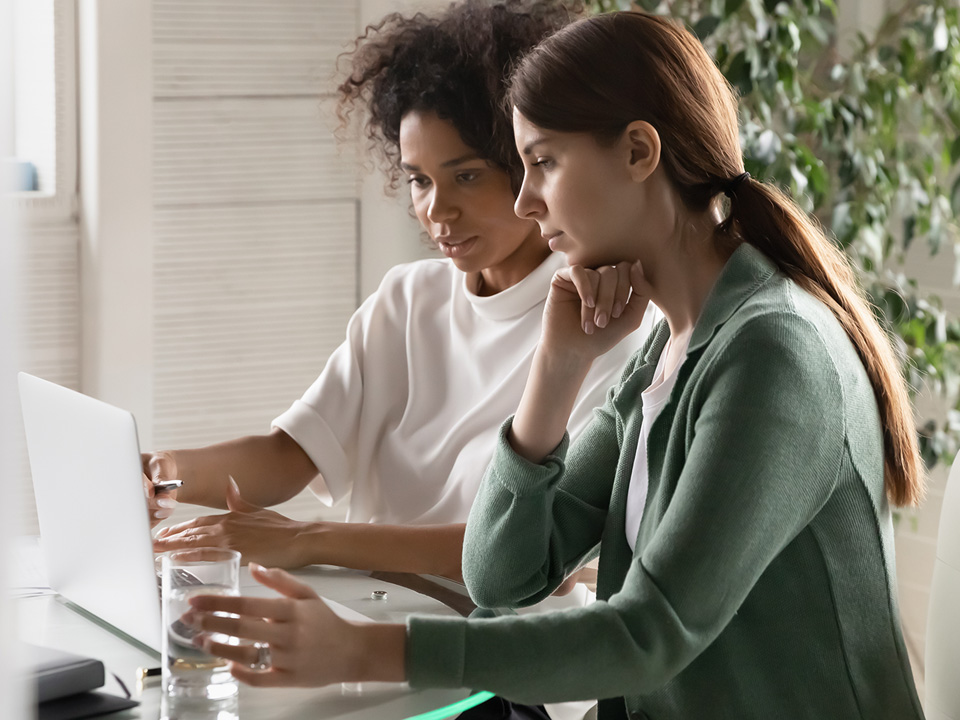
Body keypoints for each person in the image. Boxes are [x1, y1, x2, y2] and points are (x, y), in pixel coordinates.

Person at [180, 10, 928, 720]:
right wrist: (558, 364)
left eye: (541, 162)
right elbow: (501, 577)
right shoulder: (669, 348)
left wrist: (375, 649)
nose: (529, 200)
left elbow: (647, 637)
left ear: (639, 152)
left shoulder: (773, 352)